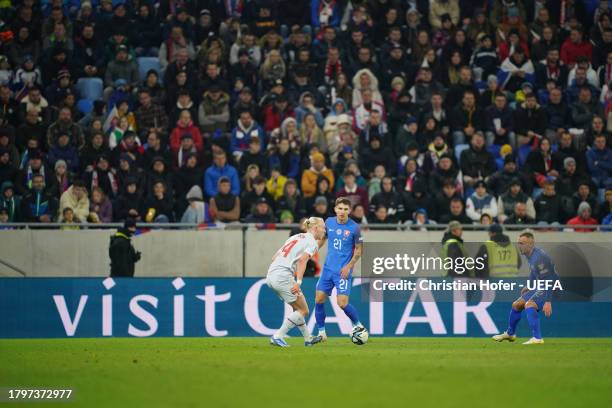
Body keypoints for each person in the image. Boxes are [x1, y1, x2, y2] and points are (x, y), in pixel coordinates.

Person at [267, 217, 326, 347]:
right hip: (283, 276)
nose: (324, 230)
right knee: (304, 310)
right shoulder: (311, 242)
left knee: (297, 308)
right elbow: (302, 260)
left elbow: (274, 257)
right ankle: (278, 336)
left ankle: (308, 338)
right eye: (323, 227)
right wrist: (298, 282)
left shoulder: (295, 237)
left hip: (271, 274)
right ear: (316, 228)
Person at [492, 231, 559, 345]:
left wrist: (548, 301)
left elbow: (550, 279)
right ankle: (510, 333)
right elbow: (534, 272)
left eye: (522, 243)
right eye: (519, 243)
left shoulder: (540, 258)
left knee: (529, 304)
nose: (519, 246)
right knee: (516, 305)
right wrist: (530, 285)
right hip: (541, 285)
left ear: (531, 244)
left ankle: (537, 338)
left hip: (552, 286)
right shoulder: (530, 256)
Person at [314, 198, 367, 341]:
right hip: (327, 270)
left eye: (345, 209)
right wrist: (311, 250)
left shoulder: (355, 228)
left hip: (343, 271)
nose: (342, 212)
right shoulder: (329, 222)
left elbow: (359, 250)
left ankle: (358, 325)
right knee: (319, 299)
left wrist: (349, 266)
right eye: (340, 208)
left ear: (349, 211)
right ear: (335, 209)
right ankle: (321, 333)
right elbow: (323, 239)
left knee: (342, 303)